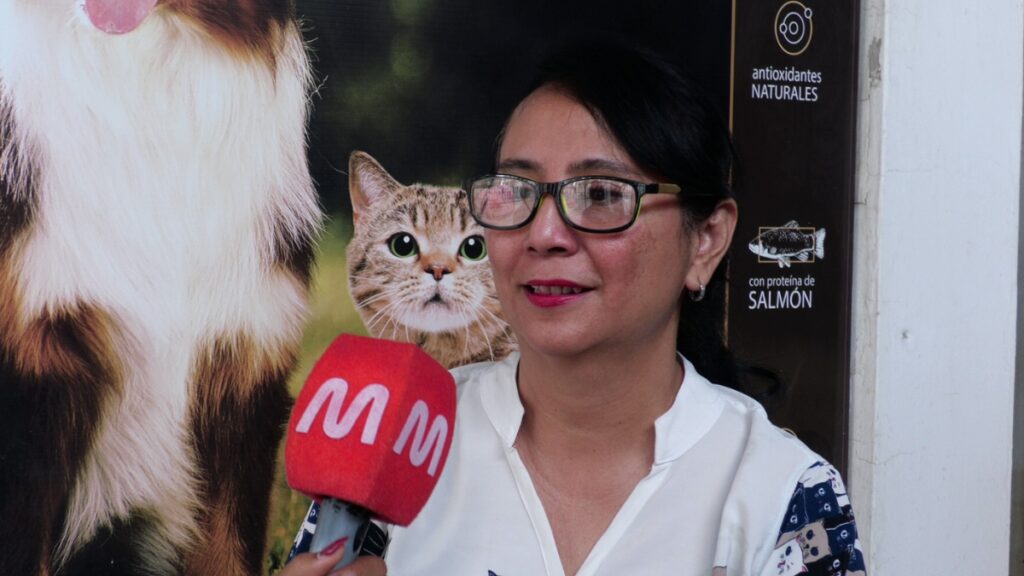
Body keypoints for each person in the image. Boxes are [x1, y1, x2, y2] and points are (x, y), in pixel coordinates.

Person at [282, 41, 866, 576]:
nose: (545, 235)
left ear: (706, 240)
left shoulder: (785, 495)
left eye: (602, 195)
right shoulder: (395, 442)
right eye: (517, 191)